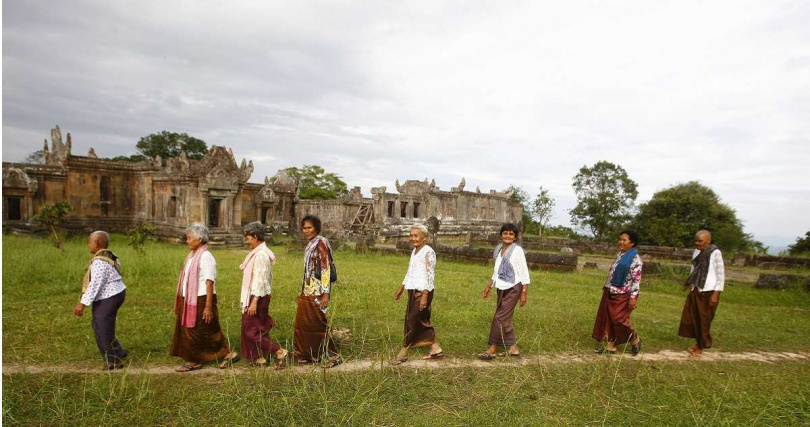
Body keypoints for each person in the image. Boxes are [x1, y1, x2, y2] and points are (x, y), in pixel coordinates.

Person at [170, 223, 238, 371]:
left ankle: (194, 361)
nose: (187, 241)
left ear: (199, 239)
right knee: (201, 329)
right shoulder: (192, 255)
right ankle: (226, 352)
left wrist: (208, 307)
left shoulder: (206, 256)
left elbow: (209, 282)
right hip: (190, 298)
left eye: (189, 238)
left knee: (198, 330)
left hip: (201, 299)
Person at [73, 231, 128, 370]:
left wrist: (82, 303)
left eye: (89, 242)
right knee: (104, 325)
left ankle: (113, 360)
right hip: (117, 292)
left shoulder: (99, 262)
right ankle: (118, 352)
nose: (88, 245)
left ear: (96, 243)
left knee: (102, 328)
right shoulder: (110, 255)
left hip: (109, 296)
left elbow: (95, 285)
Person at [293, 215, 342, 367]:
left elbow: (325, 269)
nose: (306, 230)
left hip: (319, 289)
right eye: (304, 228)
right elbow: (308, 270)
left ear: (316, 228)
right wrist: (302, 290)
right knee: (304, 322)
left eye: (309, 227)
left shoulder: (321, 242)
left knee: (317, 322)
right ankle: (309, 354)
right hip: (308, 288)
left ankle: (332, 355)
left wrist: (326, 294)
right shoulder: (310, 243)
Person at [391, 225, 444, 365]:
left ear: (424, 238)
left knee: (412, 320)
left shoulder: (428, 252)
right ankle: (435, 348)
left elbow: (430, 274)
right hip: (413, 289)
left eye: (416, 236)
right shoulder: (415, 251)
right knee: (421, 319)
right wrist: (401, 288)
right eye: (411, 235)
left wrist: (425, 295)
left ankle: (404, 351)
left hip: (422, 291)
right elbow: (410, 271)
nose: (412, 238)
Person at [239, 221, 288, 369]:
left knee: (250, 331)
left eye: (247, 238)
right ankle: (259, 357)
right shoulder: (259, 253)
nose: (246, 241)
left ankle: (279, 351)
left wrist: (254, 301)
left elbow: (260, 279)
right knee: (258, 328)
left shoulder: (260, 255)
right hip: (257, 295)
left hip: (257, 296)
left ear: (254, 236)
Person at [478, 223, 531, 360]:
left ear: (515, 237)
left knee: (499, 317)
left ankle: (492, 349)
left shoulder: (517, 250)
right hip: (501, 287)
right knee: (505, 318)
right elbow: (496, 270)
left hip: (514, 287)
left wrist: (524, 292)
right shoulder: (498, 249)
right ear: (501, 235)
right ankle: (513, 348)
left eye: (511, 234)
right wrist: (489, 286)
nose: (508, 236)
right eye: (505, 233)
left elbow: (524, 271)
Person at [592, 230, 643, 355]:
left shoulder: (635, 260)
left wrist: (633, 297)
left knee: (619, 320)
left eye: (624, 240)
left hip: (624, 293)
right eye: (620, 239)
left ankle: (634, 338)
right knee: (609, 319)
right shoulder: (621, 255)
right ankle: (611, 346)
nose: (620, 242)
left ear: (632, 243)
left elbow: (636, 280)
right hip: (611, 290)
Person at [678, 229, 724, 359]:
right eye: (696, 240)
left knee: (704, 320)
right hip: (696, 289)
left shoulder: (715, 252)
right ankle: (698, 343)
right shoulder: (696, 252)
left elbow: (720, 274)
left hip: (708, 291)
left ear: (708, 241)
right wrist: (690, 285)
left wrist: (716, 294)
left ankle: (700, 347)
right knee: (692, 317)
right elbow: (693, 270)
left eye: (700, 241)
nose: (697, 243)